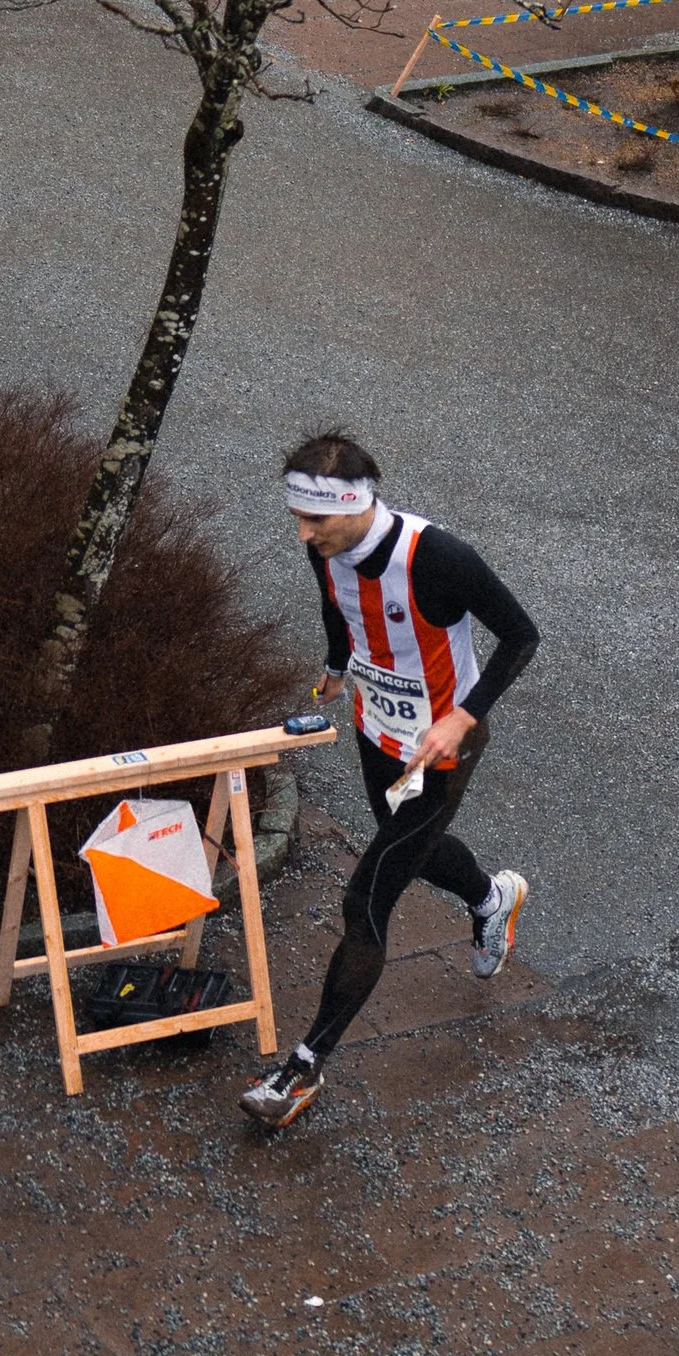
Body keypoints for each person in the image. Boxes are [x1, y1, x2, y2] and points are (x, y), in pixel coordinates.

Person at [240, 432, 538, 1132]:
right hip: (379, 731)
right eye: (298, 518)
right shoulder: (326, 549)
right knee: (410, 845)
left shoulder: (437, 557)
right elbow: (336, 607)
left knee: (367, 894)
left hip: (440, 750)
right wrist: (337, 665)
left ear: (356, 503)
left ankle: (303, 1065)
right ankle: (493, 896)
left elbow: (521, 635)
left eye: (316, 520)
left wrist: (462, 719)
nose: (304, 534)